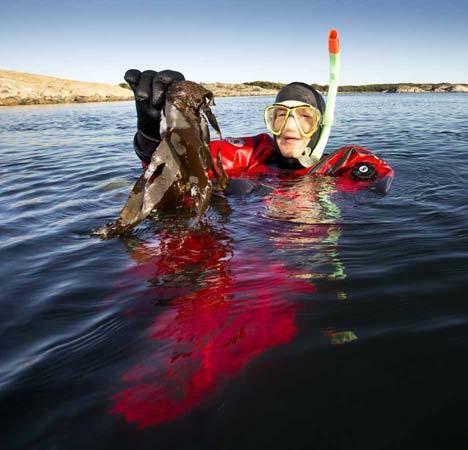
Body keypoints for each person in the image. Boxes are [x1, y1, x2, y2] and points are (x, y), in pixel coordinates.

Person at [124, 68, 393, 191]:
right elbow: (184, 165)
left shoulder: (343, 162)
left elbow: (380, 182)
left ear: (320, 125)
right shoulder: (251, 152)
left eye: (304, 117)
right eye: (279, 115)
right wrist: (153, 138)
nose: (289, 126)